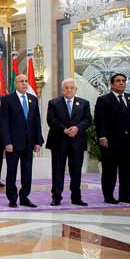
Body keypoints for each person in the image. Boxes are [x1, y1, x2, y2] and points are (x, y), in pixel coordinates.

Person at [94, 73, 130, 204]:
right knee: (110, 170)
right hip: (110, 141)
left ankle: (125, 195)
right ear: (112, 84)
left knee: (127, 170)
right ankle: (109, 196)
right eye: (118, 81)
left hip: (129, 141)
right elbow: (100, 121)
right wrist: (102, 136)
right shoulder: (104, 100)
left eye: (123, 80)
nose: (121, 83)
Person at [0, 74, 43, 208]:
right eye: (21, 81)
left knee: (27, 171)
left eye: (26, 81)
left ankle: (24, 197)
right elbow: (4, 122)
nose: (24, 84)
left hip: (29, 143)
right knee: (12, 172)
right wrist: (7, 142)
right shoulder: (7, 99)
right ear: (15, 84)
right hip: (13, 144)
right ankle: (12, 198)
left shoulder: (33, 99)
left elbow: (37, 121)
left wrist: (38, 141)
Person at [46, 78, 92, 206]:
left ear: (75, 89)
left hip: (77, 142)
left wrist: (77, 128)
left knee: (76, 170)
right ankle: (56, 197)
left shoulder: (84, 103)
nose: (69, 90)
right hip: (59, 141)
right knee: (58, 170)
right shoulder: (53, 103)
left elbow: (88, 120)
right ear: (63, 90)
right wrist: (64, 130)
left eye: (72, 87)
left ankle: (76, 197)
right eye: (66, 88)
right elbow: (51, 120)